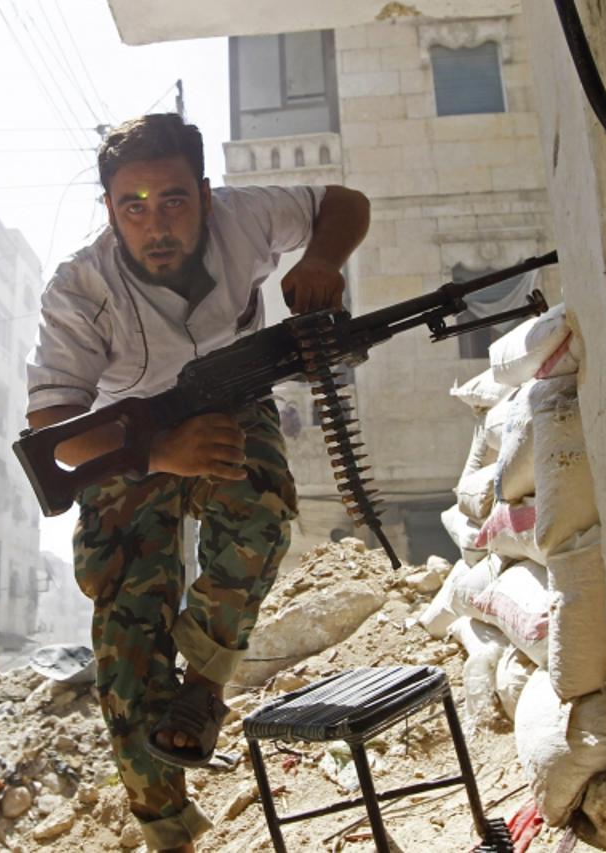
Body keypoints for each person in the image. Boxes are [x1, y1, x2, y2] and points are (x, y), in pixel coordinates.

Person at [25, 113, 370, 852]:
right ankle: (168, 832)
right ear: (110, 209)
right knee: (127, 643)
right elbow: (55, 423)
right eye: (134, 206)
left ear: (206, 195)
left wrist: (323, 259)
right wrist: (157, 453)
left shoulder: (244, 217)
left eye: (174, 199)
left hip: (229, 402)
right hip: (126, 439)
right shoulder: (81, 287)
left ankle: (206, 685)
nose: (157, 223)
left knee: (262, 510)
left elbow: (345, 204)